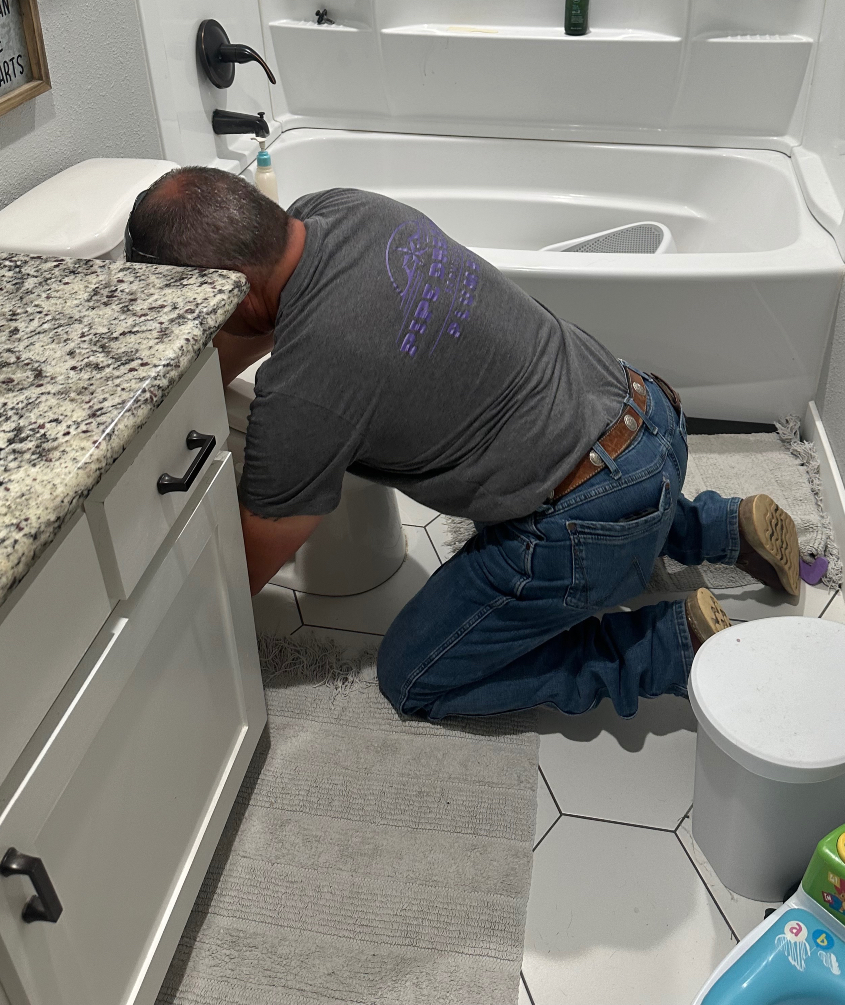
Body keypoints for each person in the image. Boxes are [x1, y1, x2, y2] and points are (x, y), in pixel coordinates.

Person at [125, 167, 801, 721]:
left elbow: (239, 576)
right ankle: (723, 527)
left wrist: (150, 651)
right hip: (645, 414)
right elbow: (284, 320)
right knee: (591, 477)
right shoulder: (341, 209)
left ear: (231, 296)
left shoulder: (304, 389)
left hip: (586, 509)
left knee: (415, 676)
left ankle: (669, 646)